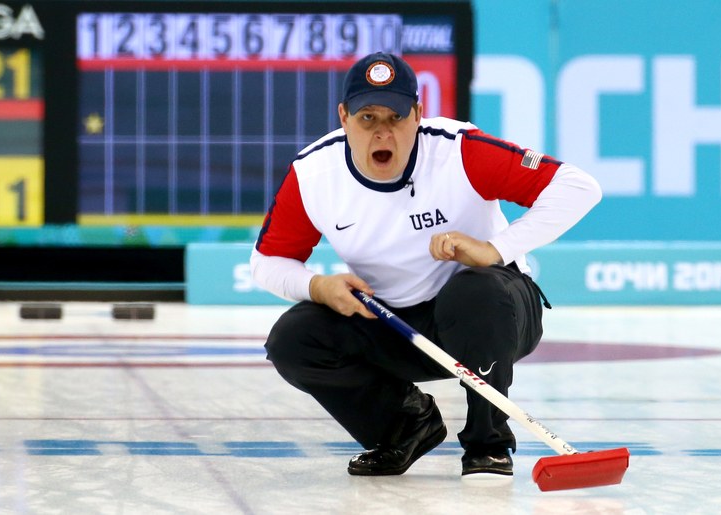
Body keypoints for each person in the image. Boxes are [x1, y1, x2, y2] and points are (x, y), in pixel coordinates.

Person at [250, 52, 602, 478]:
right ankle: (404, 425)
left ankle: (487, 442)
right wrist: (319, 287)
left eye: (396, 117)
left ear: (418, 114)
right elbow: (268, 262)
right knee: (293, 339)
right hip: (393, 322)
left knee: (476, 290)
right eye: (367, 118)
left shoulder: (459, 151)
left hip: (492, 317)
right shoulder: (313, 174)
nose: (382, 132)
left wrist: (495, 249)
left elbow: (579, 187)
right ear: (343, 117)